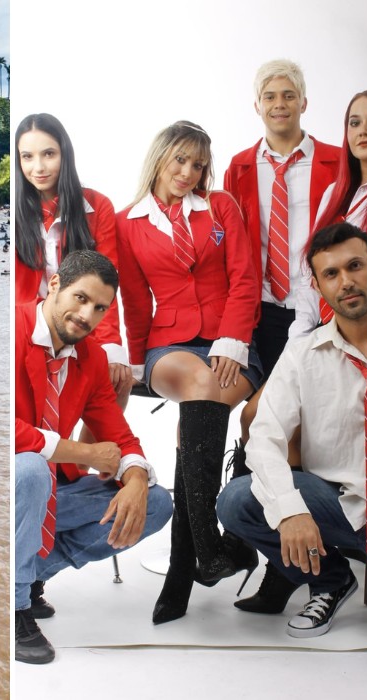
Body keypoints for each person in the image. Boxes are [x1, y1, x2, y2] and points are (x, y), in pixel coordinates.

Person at [217, 223, 367, 669]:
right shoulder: (304, 354)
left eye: (355, 266)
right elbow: (263, 438)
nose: (346, 282)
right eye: (331, 274)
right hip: (342, 505)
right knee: (238, 500)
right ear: (318, 286)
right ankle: (331, 579)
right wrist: (291, 510)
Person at [116, 120, 263, 623]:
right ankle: (211, 545)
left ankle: (186, 568)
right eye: (180, 159)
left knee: (195, 426)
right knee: (200, 388)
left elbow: (245, 278)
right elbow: (135, 300)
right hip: (169, 345)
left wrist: (232, 339)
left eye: (198, 164)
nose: (188, 172)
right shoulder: (127, 222)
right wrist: (136, 362)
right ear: (160, 156)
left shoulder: (220, 207)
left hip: (233, 341)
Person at [221, 59, 343, 613]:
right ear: (257, 105)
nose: (278, 103)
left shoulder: (335, 161)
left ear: (303, 102)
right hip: (263, 313)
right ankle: (264, 548)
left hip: (317, 312)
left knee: (288, 427)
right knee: (265, 425)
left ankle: (291, 566)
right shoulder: (240, 167)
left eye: (288, 94)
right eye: (269, 95)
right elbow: (233, 246)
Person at [15, 249, 173, 664]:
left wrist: (136, 479)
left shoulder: (92, 358)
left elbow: (120, 436)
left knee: (157, 503)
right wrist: (83, 452)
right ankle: (13, 607)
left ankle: (27, 578)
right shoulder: (9, 329)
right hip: (4, 495)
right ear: (54, 286)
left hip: (53, 496)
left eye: (100, 308)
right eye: (80, 298)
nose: (87, 316)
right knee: (30, 468)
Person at [15, 113, 132, 437]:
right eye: (27, 157)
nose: (38, 167)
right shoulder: (15, 211)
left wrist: (111, 345)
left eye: (48, 154)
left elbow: (107, 283)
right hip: (29, 326)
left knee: (118, 379)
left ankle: (79, 461)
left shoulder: (97, 206)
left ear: (65, 154)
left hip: (79, 319)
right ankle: (52, 454)